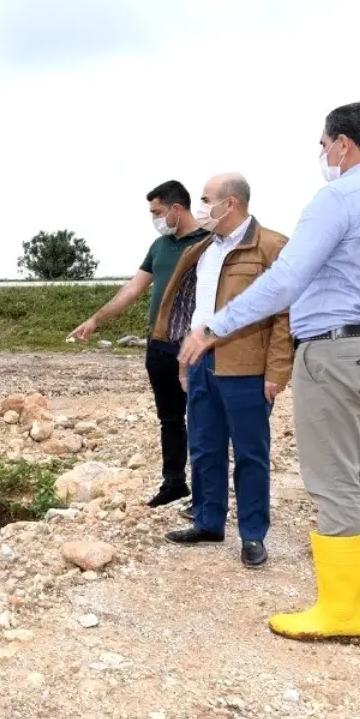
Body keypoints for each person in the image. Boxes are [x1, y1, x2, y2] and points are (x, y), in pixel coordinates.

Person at [179, 100, 360, 642]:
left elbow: (285, 282)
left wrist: (214, 328)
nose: (323, 154)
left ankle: (340, 612)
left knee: (334, 478)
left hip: (336, 352)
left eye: (323, 145)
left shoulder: (336, 199)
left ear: (342, 143)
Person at [153, 173, 293, 567]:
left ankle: (252, 535)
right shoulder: (203, 249)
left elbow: (285, 314)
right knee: (204, 446)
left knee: (250, 452)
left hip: (247, 367)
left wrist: (277, 371)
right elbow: (192, 310)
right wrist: (184, 359)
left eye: (205, 198)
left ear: (230, 203)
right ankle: (208, 521)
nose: (201, 206)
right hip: (200, 364)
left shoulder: (271, 246)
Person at [69, 181, 209, 511]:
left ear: (177, 209)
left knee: (203, 419)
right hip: (159, 345)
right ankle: (174, 483)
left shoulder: (208, 243)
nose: (154, 219)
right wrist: (96, 319)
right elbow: (133, 289)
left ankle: (206, 495)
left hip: (195, 346)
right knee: (170, 419)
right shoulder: (159, 246)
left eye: (157, 212)